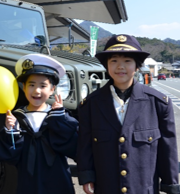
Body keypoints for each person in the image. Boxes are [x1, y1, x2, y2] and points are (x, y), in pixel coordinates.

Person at [77, 34, 180, 194]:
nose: (120, 67)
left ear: (137, 66)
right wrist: (86, 175)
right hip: (106, 188)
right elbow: (85, 144)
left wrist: (170, 184)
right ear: (106, 65)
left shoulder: (158, 103)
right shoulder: (90, 105)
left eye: (127, 61)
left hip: (144, 189)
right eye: (114, 61)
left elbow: (168, 148)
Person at [0, 54, 78, 194]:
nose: (36, 90)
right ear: (23, 87)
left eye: (43, 85)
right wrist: (10, 132)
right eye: (31, 85)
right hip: (28, 181)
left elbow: (73, 147)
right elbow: (10, 157)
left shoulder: (57, 116)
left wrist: (60, 119)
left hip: (58, 181)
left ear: (52, 89)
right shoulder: (17, 117)